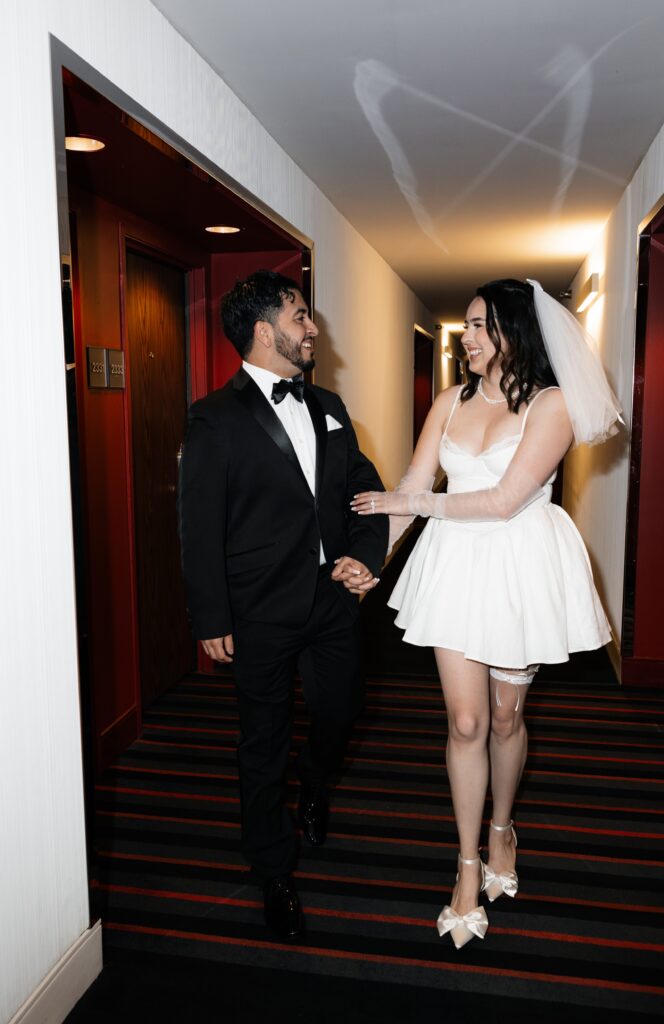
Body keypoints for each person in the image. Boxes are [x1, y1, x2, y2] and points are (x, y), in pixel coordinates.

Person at [352, 278, 621, 951]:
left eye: (479, 325)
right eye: (465, 324)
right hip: (455, 569)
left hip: (520, 568)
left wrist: (406, 505)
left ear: (514, 332)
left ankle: (504, 825)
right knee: (465, 720)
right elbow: (413, 490)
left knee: (505, 717)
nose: (465, 337)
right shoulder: (448, 401)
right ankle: (467, 862)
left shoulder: (552, 405)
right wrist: (373, 562)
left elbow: (503, 502)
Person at [178, 270, 388, 940]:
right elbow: (198, 524)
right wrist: (210, 617)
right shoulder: (213, 418)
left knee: (340, 711)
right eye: (301, 316)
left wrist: (366, 555)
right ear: (266, 331)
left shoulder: (327, 404)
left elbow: (364, 486)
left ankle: (317, 780)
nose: (313, 328)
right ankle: (273, 870)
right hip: (257, 612)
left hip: (330, 604)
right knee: (260, 742)